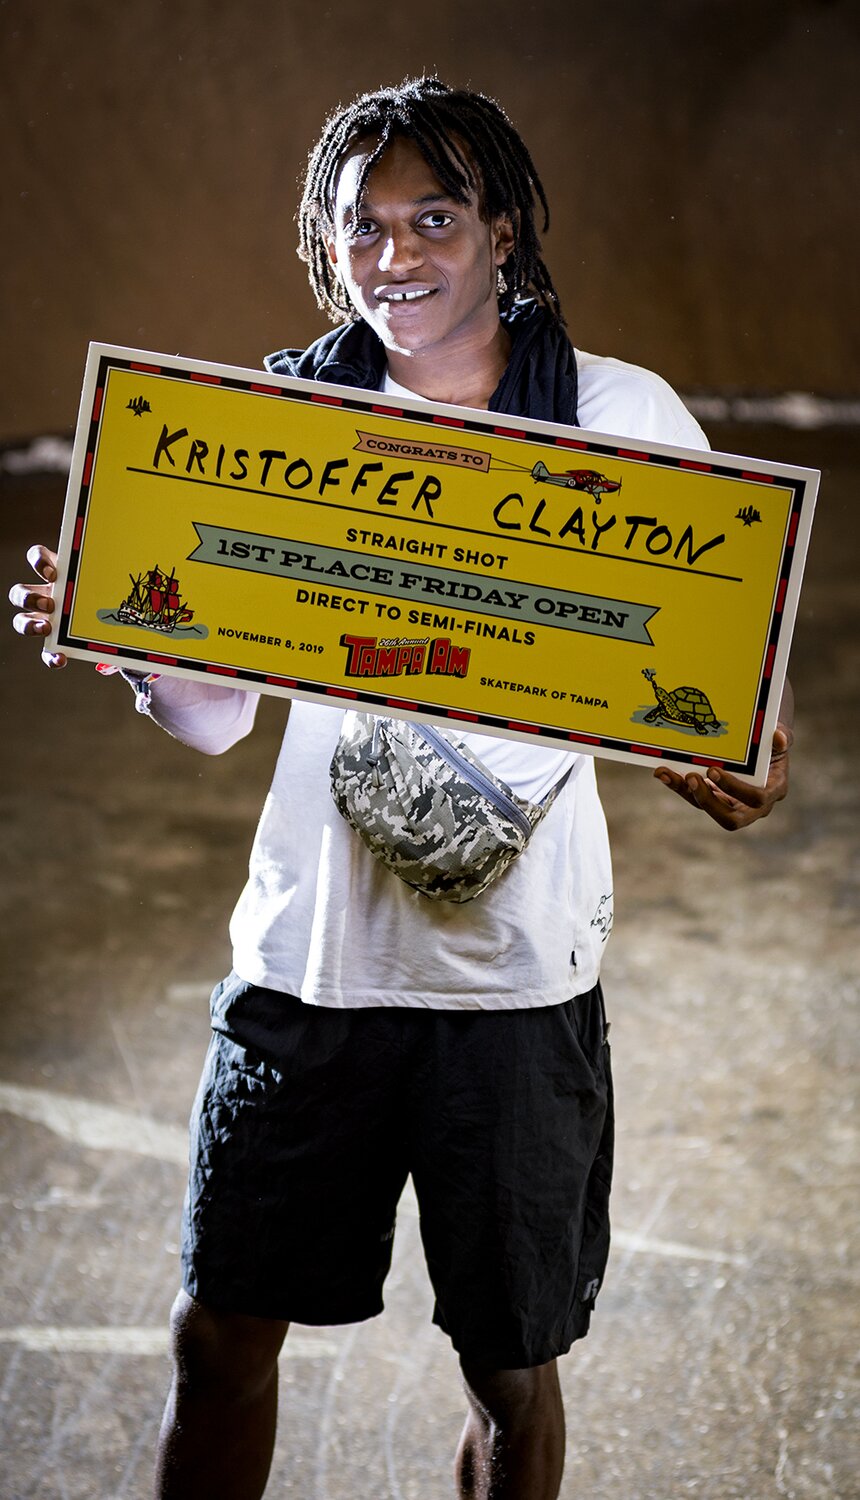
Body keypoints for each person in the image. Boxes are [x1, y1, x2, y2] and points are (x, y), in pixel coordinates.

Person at [10, 77, 792, 1500]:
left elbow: (717, 704)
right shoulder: (285, 427)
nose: (397, 255)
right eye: (362, 226)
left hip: (513, 984)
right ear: (328, 245)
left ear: (502, 230)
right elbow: (216, 726)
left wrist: (731, 756)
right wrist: (135, 644)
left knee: (510, 1372)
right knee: (217, 1337)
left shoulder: (619, 419)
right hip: (310, 960)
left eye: (435, 218)